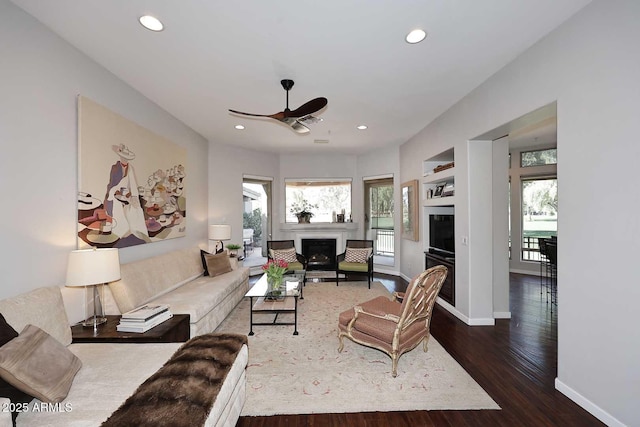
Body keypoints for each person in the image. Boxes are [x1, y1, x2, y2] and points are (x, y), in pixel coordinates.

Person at [103, 144, 149, 243]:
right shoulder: (115, 168)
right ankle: (121, 231)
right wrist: (118, 193)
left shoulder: (130, 168)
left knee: (136, 209)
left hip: (126, 194)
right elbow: (112, 185)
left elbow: (132, 184)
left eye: (126, 158)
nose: (125, 159)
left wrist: (131, 196)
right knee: (119, 211)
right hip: (115, 194)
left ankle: (137, 231)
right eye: (123, 157)